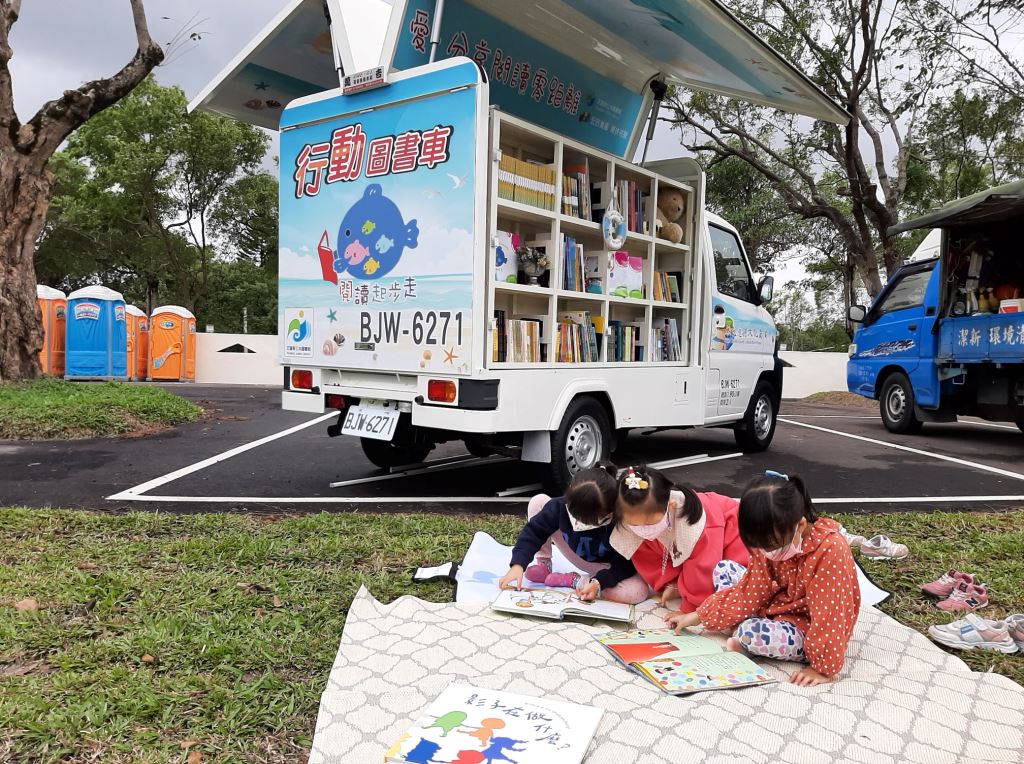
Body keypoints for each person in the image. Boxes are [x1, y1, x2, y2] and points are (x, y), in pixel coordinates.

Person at [665, 471, 861, 687]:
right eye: (760, 546)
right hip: (777, 606)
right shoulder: (770, 543)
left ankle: (743, 632)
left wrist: (822, 668)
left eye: (771, 545)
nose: (766, 552)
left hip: (807, 625)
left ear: (801, 526)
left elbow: (830, 616)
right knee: (724, 568)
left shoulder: (829, 550)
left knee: (751, 632)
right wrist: (699, 615)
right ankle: (739, 627)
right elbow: (749, 589)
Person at [498, 466, 648, 604]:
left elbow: (624, 565)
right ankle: (544, 565)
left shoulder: (621, 523)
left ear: (609, 514)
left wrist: (598, 582)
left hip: (606, 567)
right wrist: (518, 564)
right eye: (573, 515)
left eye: (586, 522)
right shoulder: (562, 506)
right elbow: (534, 531)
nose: (577, 523)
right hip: (574, 550)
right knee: (539, 502)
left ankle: (578, 582)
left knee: (638, 592)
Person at [609, 465, 749, 611]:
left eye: (650, 523)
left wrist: (689, 608)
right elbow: (648, 560)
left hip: (734, 538)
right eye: (634, 524)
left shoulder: (693, 525)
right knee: (641, 545)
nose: (644, 530)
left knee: (726, 587)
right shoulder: (632, 524)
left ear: (670, 506)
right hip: (696, 550)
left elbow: (702, 567)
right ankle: (681, 586)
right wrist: (673, 584)